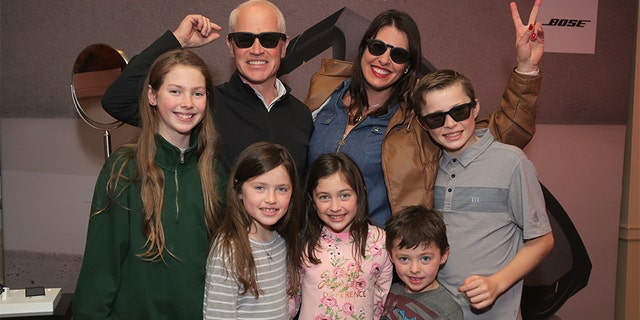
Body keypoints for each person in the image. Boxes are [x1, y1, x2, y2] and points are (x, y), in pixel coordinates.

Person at [305, 0, 544, 226]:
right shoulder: (326, 90)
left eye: (398, 54)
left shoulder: (417, 120)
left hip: (376, 256)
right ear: (364, 49)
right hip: (310, 245)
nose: (384, 60)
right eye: (378, 47)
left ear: (408, 65)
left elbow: (509, 131)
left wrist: (526, 68)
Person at [74, 49, 224, 319]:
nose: (187, 103)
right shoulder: (124, 168)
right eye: (175, 91)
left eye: (198, 93)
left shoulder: (215, 172)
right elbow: (102, 266)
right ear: (153, 96)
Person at [102, 0, 313, 174]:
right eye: (244, 39)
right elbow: (118, 100)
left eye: (268, 39)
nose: (256, 50)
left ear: (283, 46)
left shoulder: (301, 116)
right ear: (231, 46)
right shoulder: (205, 106)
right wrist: (177, 39)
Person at [410, 69, 554, 319]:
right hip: (439, 312)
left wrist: (496, 283)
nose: (450, 124)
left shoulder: (511, 163)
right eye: (436, 118)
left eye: (459, 111)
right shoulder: (430, 169)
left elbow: (542, 240)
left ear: (475, 108)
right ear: (423, 124)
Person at [203, 142, 303, 319]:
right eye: (259, 188)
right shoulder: (229, 250)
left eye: (281, 189)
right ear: (239, 190)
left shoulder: (282, 242)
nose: (271, 199)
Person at [295, 153, 394, 319]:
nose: (335, 207)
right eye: (324, 197)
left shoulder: (381, 241)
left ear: (360, 193)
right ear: (311, 200)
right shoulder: (302, 242)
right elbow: (291, 299)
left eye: (344, 195)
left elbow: (380, 301)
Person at [381, 205, 463, 320]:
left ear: (443, 255)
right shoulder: (387, 292)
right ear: (391, 256)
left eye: (425, 259)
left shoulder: (448, 310)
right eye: (404, 259)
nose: (414, 269)